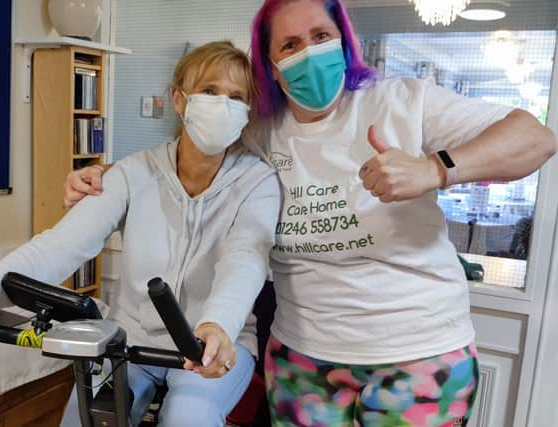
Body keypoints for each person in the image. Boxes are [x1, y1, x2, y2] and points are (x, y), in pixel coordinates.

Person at [63, 2, 557, 426]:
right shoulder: (259, 130)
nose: (308, 54)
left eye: (321, 37)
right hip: (305, 362)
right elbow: (187, 156)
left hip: (418, 354)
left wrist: (436, 168)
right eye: (290, 45)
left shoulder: (403, 102)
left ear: (344, 42)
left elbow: (535, 139)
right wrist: (106, 174)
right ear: (272, 67)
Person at [0, 41, 281, 427]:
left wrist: (217, 325)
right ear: (179, 100)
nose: (224, 104)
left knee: (189, 415)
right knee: (85, 419)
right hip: (131, 343)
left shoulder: (258, 181)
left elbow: (245, 260)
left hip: (216, 343)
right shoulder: (133, 173)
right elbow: (61, 245)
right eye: (211, 91)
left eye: (237, 97)